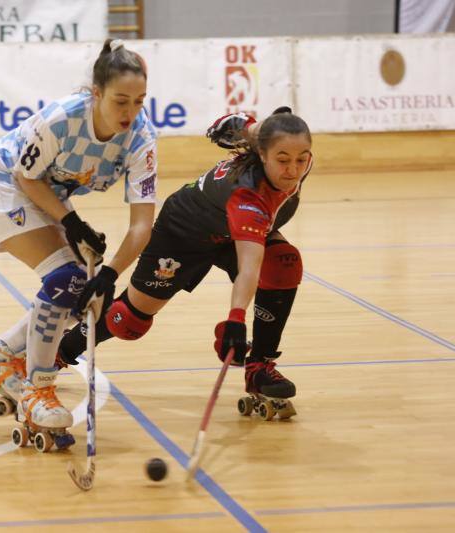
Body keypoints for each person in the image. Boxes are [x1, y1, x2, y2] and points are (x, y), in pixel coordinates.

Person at [0, 39, 157, 450]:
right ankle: (38, 389)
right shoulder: (64, 119)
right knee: (68, 278)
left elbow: (142, 225)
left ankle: (0, 355)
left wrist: (109, 275)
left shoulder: (141, 139)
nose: (130, 113)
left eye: (139, 102)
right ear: (97, 92)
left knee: (84, 291)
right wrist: (70, 221)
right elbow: (25, 177)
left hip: (47, 192)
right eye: (121, 101)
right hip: (1, 181)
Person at [56, 107, 312, 419]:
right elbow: (249, 267)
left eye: (302, 159)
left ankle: (259, 365)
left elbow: (256, 261)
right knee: (129, 321)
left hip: (233, 232)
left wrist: (256, 129)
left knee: (284, 263)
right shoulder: (248, 196)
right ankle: (61, 351)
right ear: (263, 154)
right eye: (283, 160)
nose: (293, 170)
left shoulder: (290, 157)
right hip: (184, 232)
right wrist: (235, 319)